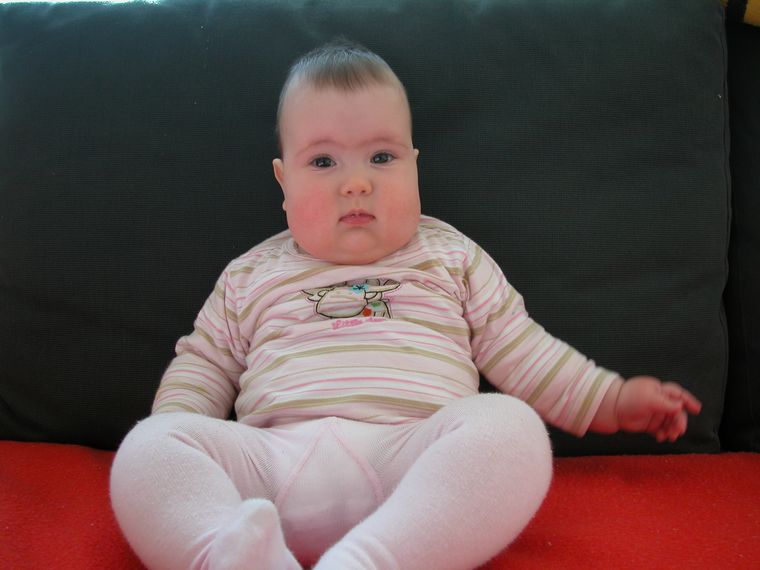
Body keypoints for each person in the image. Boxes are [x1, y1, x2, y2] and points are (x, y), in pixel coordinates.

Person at [110, 40, 702, 570]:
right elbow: (204, 366)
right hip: (269, 468)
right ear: (283, 182)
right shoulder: (250, 273)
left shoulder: (450, 257)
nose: (356, 183)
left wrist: (611, 400)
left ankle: (371, 560)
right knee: (148, 447)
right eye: (323, 162)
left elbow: (524, 350)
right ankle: (230, 555)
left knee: (512, 427)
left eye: (382, 157)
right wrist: (177, 434)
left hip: (415, 471)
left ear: (415, 165)